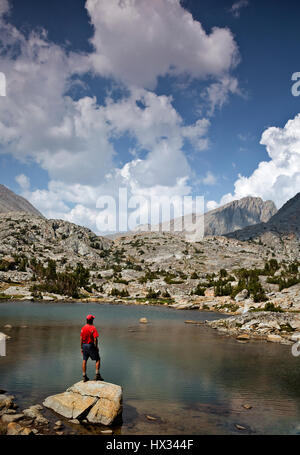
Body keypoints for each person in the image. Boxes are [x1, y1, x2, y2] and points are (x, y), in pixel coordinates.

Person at [80, 314, 103, 382]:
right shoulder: (93, 328)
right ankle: (97, 375)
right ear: (91, 320)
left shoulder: (83, 328)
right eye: (93, 319)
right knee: (98, 359)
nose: (93, 320)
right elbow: (95, 339)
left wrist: (81, 347)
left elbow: (81, 338)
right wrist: (96, 347)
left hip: (84, 345)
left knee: (84, 360)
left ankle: (84, 376)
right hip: (90, 345)